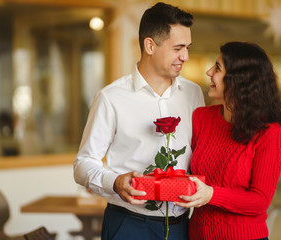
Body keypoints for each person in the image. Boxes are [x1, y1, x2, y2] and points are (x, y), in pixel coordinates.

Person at [73, 2, 205, 240]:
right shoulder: (110, 97)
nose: (185, 56)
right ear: (150, 45)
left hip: (182, 227)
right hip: (128, 225)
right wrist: (115, 182)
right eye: (178, 48)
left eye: (187, 47)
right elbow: (83, 164)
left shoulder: (193, 93)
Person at [174, 41, 281, 240]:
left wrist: (211, 194)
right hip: (197, 235)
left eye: (218, 68)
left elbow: (260, 201)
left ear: (241, 79)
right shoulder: (202, 117)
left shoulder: (269, 132)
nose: (209, 72)